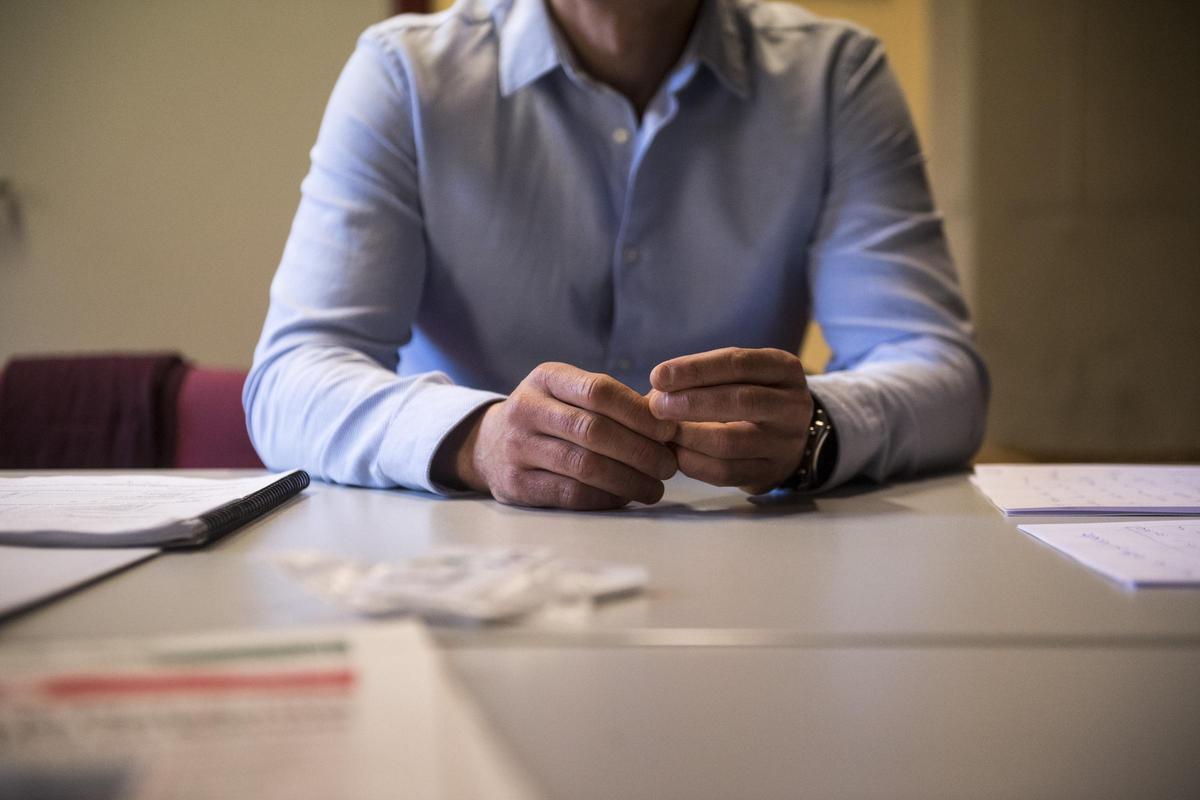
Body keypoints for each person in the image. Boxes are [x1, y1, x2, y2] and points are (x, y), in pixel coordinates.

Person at [244, 0, 988, 510]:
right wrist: (480, 439)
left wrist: (817, 429)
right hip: (459, 570)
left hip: (750, 571)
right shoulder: (404, 77)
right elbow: (291, 376)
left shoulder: (835, 80)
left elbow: (944, 377)